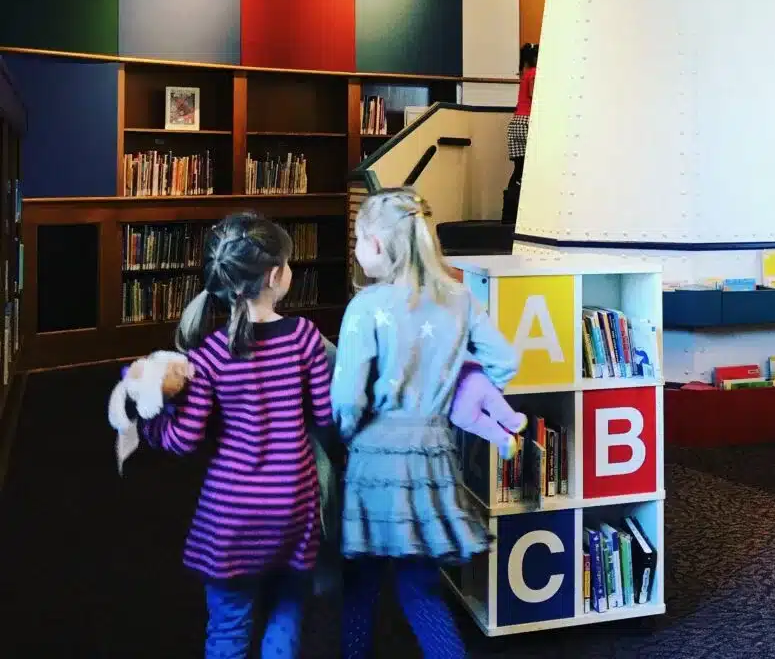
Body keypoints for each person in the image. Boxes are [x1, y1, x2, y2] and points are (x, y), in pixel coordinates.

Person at [332, 187, 519, 659]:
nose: (355, 248)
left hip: (375, 458)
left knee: (361, 585)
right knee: (421, 589)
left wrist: (344, 433)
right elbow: (504, 361)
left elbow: (347, 400)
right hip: (433, 457)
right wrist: (459, 383)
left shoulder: (365, 308)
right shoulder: (460, 298)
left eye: (358, 238)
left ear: (377, 244)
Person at [136, 212, 332, 659]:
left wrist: (149, 424)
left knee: (228, 625)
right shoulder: (304, 338)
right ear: (276, 275)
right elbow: (324, 415)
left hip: (231, 513)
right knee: (286, 613)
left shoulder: (207, 355)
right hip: (293, 503)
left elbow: (183, 439)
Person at [503, 41, 538, 223]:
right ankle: (518, 213)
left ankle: (508, 211)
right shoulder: (533, 74)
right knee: (527, 170)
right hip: (526, 122)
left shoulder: (524, 74)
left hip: (516, 121)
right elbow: (534, 94)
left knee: (518, 170)